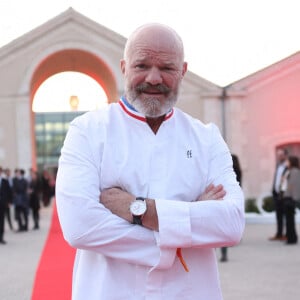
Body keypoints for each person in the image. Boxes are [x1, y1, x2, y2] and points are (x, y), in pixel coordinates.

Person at [56, 23, 245, 300]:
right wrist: (188, 222)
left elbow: (231, 224)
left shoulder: (206, 138)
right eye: (142, 65)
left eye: (167, 68)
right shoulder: (87, 131)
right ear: (124, 67)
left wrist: (138, 210)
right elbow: (81, 227)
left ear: (183, 71)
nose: (154, 78)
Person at [220, 153, 242, 262]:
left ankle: (223, 251)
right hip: (231, 200)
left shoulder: (227, 172)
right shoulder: (237, 173)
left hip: (224, 199)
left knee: (223, 225)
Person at [269, 148, 288, 241]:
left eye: (281, 155)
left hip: (285, 195)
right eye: (278, 155)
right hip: (277, 194)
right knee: (279, 215)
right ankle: (279, 234)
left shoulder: (288, 166)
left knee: (286, 215)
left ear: (285, 155)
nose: (279, 157)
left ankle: (287, 234)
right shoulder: (278, 165)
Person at [282, 156, 299, 244]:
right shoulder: (289, 171)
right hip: (287, 197)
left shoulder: (295, 171)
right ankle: (290, 237)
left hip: (290, 199)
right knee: (288, 220)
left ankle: (292, 238)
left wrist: (294, 199)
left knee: (290, 220)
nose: (286, 163)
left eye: (287, 161)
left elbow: (295, 186)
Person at [0, 167, 11, 244]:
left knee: (1, 221)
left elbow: (8, 192)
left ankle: (1, 237)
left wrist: (8, 202)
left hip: (2, 204)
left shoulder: (5, 181)